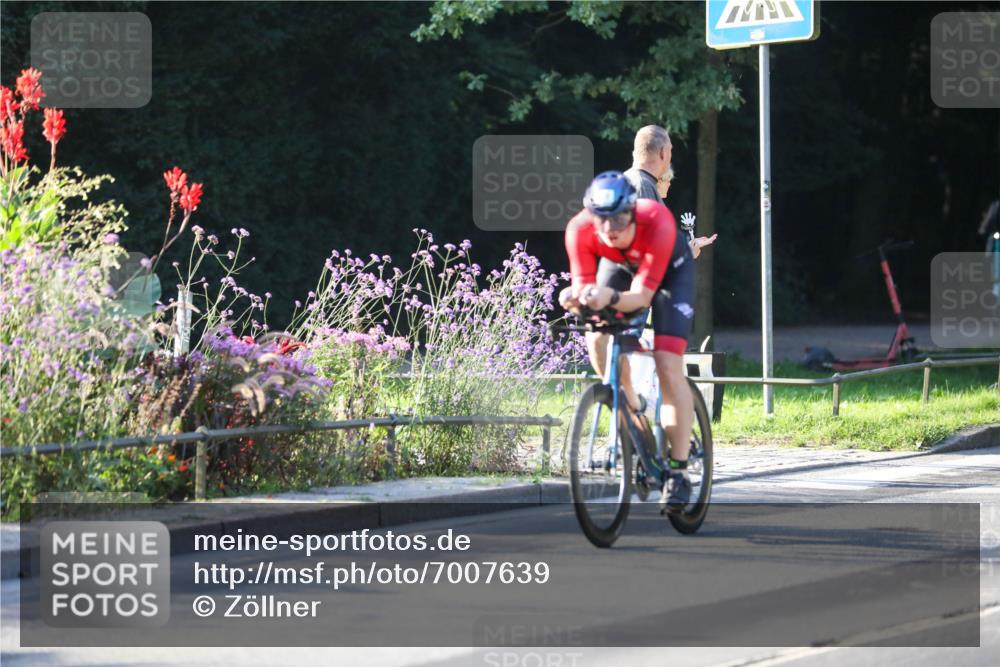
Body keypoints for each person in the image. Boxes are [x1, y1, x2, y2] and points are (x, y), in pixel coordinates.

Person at [559, 171, 695, 511]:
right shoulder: (579, 230)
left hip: (668, 273)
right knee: (596, 338)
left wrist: (607, 297)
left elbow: (641, 298)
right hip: (620, 266)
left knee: (666, 362)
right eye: (601, 219)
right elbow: (587, 289)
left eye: (619, 217)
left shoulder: (657, 222)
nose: (610, 228)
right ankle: (631, 403)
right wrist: (577, 298)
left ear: (633, 210)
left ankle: (678, 471)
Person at [623, 126, 717, 257]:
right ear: (663, 153)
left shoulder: (629, 180)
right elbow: (647, 249)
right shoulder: (643, 186)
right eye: (670, 150)